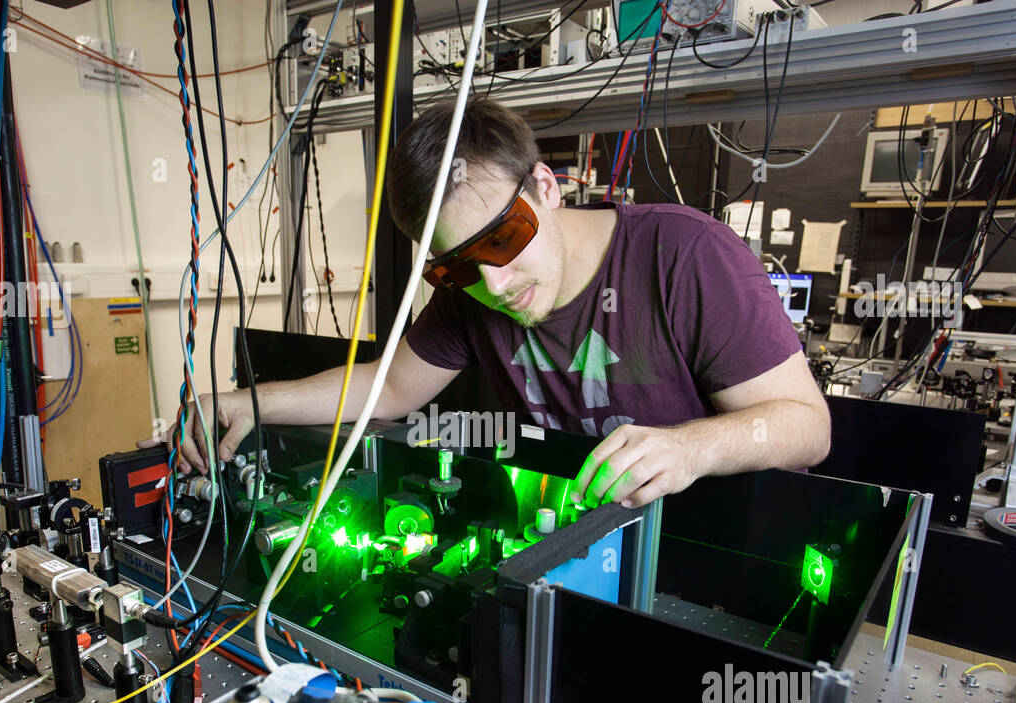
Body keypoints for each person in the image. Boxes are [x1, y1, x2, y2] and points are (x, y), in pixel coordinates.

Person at [149, 99, 830, 509]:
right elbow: (386, 389)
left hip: (696, 561)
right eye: (456, 267)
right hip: (558, 549)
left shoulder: (685, 256)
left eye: (503, 239)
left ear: (544, 186)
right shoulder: (473, 293)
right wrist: (248, 401)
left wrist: (693, 447)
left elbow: (807, 426)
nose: (494, 285)